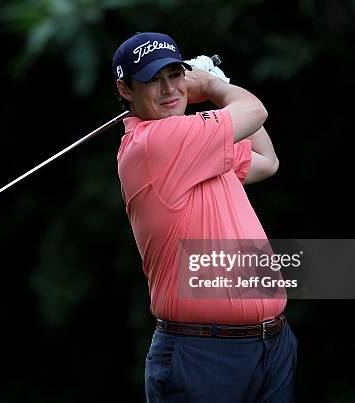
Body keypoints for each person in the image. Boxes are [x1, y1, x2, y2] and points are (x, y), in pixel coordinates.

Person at [112, 32, 297, 402]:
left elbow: (267, 161)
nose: (168, 89)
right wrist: (211, 84)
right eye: (153, 80)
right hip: (202, 355)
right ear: (126, 90)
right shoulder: (155, 143)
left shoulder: (195, 146)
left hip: (271, 346)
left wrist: (219, 85)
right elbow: (255, 110)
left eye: (174, 75)